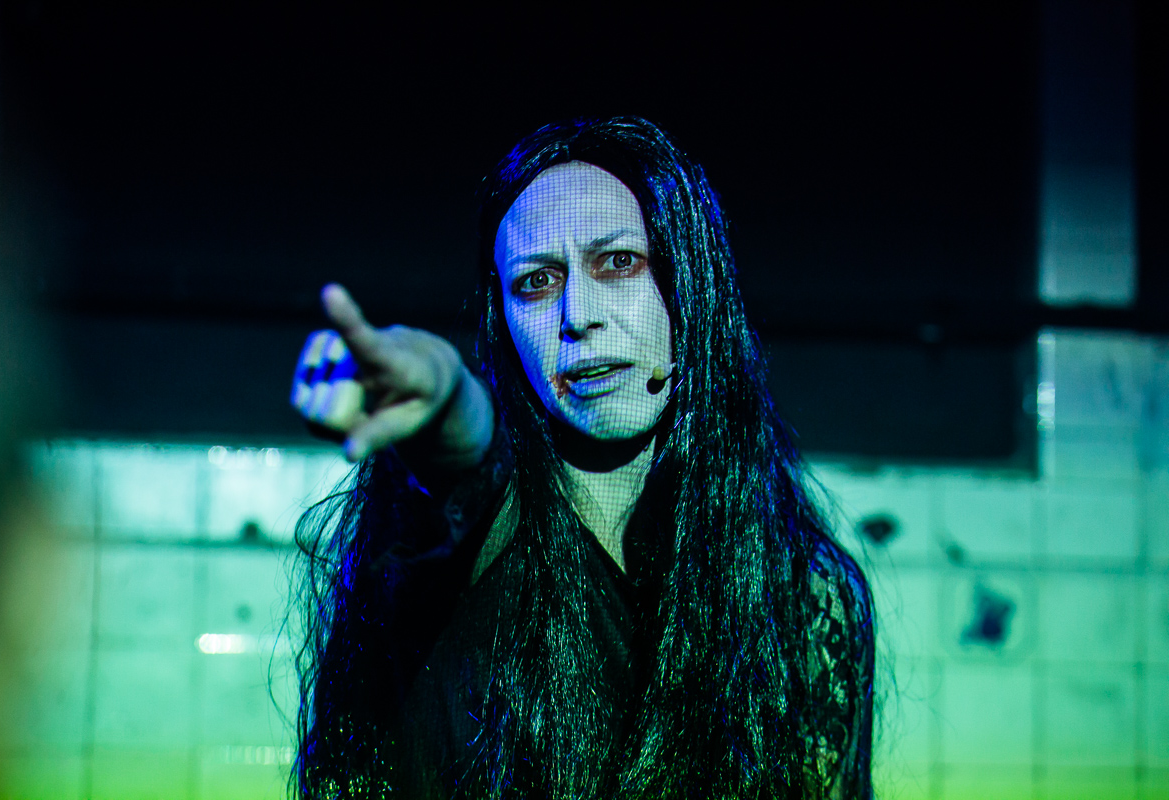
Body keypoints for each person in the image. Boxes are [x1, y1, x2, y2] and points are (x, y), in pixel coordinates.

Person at [290, 117, 874, 799]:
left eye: (619, 263)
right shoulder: (480, 525)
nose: (578, 314)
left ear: (690, 286)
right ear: (505, 323)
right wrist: (441, 388)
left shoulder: (799, 590)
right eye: (536, 282)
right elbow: (467, 451)